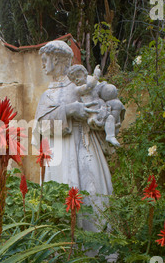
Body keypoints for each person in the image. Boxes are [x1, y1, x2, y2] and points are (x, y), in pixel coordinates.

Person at [32, 40, 119, 236]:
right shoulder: (48, 95)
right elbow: (40, 127)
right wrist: (70, 110)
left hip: (85, 149)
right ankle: (64, 254)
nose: (42, 64)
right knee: (60, 202)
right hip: (59, 156)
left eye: (45, 60)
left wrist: (95, 114)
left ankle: (97, 255)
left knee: (93, 198)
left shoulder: (82, 82)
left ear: (56, 59)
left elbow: (102, 110)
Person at [67, 64, 125, 147]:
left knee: (113, 113)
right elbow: (89, 86)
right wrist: (96, 76)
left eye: (78, 76)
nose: (76, 79)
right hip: (94, 114)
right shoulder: (78, 89)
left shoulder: (92, 83)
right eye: (73, 79)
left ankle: (110, 134)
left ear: (85, 75)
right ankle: (110, 130)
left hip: (101, 107)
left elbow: (99, 89)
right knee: (108, 118)